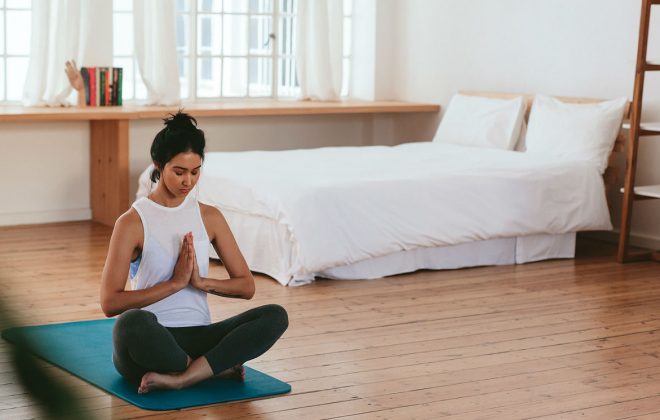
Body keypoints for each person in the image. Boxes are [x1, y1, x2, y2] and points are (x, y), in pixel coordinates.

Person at [100, 111, 288, 394]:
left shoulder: (209, 217)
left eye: (195, 171)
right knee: (130, 323)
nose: (188, 181)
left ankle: (184, 376)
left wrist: (202, 283)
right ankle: (209, 370)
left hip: (199, 335)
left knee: (275, 315)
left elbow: (246, 286)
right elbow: (109, 302)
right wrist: (174, 284)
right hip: (151, 340)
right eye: (179, 172)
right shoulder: (132, 222)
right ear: (158, 165)